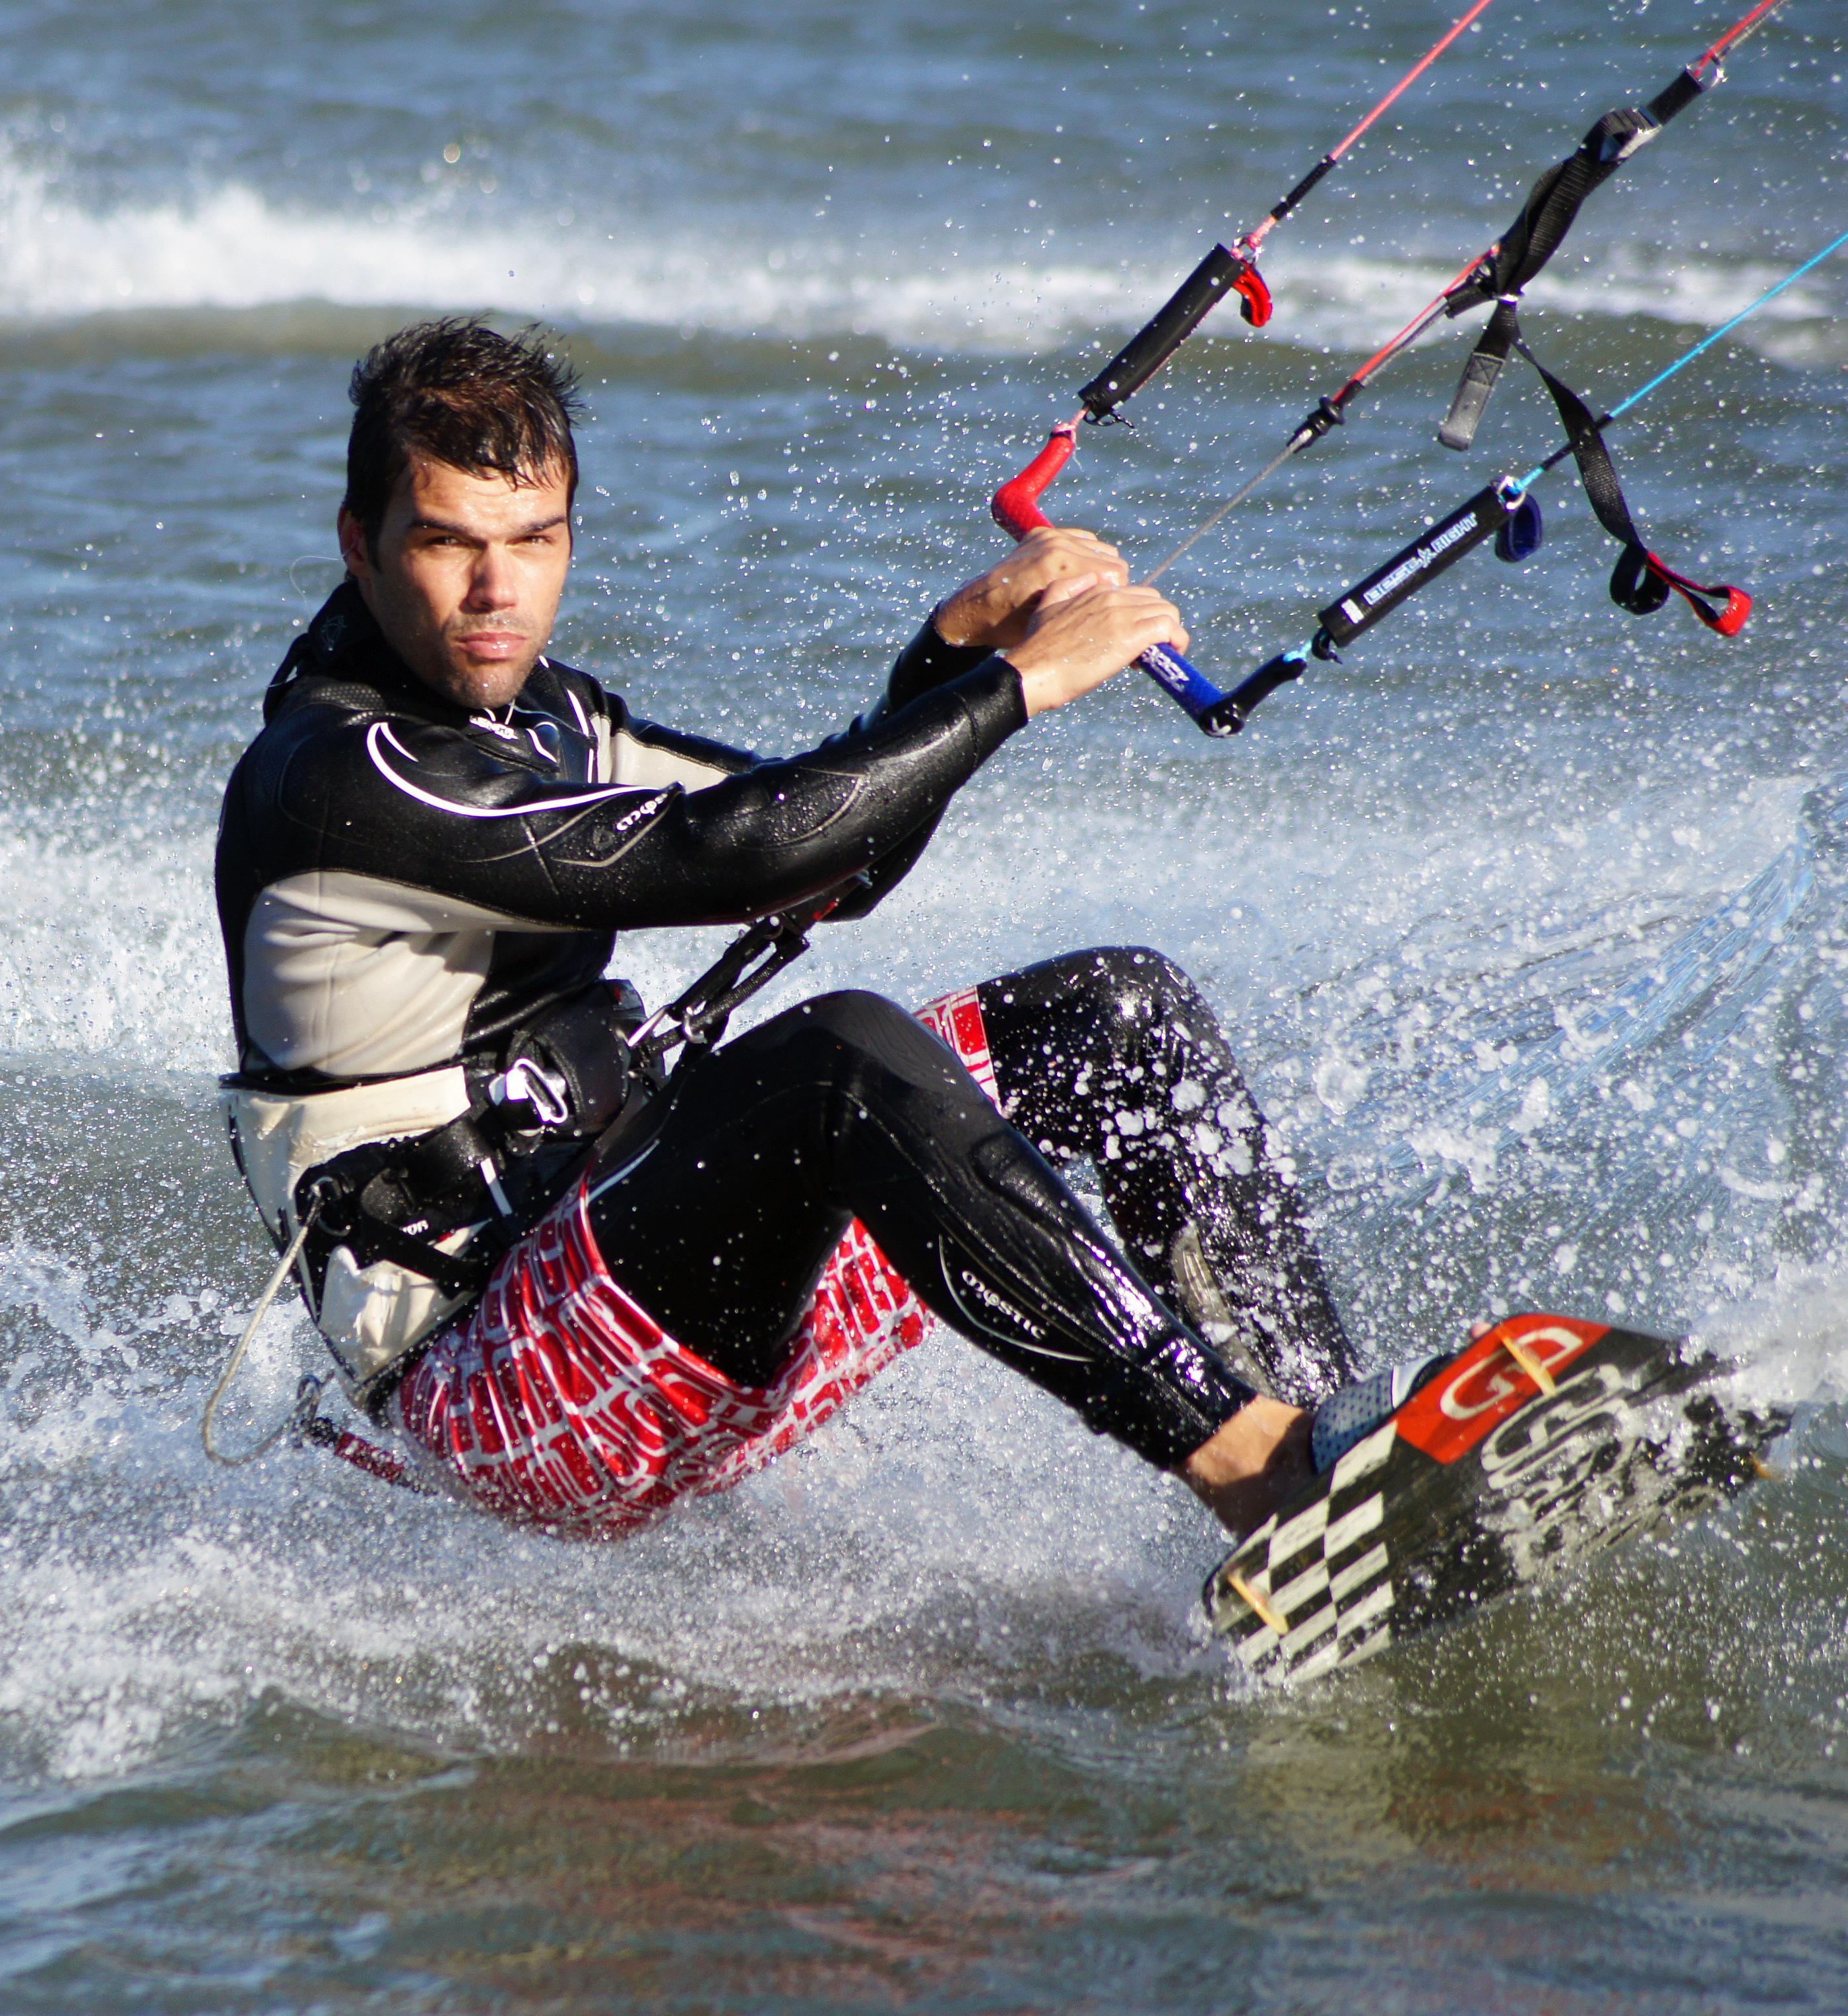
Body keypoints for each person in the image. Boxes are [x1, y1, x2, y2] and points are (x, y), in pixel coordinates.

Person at [212, 317, 1370, 1541]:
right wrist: (1020, 683)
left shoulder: (547, 717)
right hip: (500, 1399)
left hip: (659, 1286)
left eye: (534, 543)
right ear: (361, 545)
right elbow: (732, 853)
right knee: (835, 1062)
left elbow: (826, 862)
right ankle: (1259, 1473)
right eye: (449, 543)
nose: (499, 591)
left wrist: (949, 655)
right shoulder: (337, 781)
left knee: (1117, 1018)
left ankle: (1340, 1453)